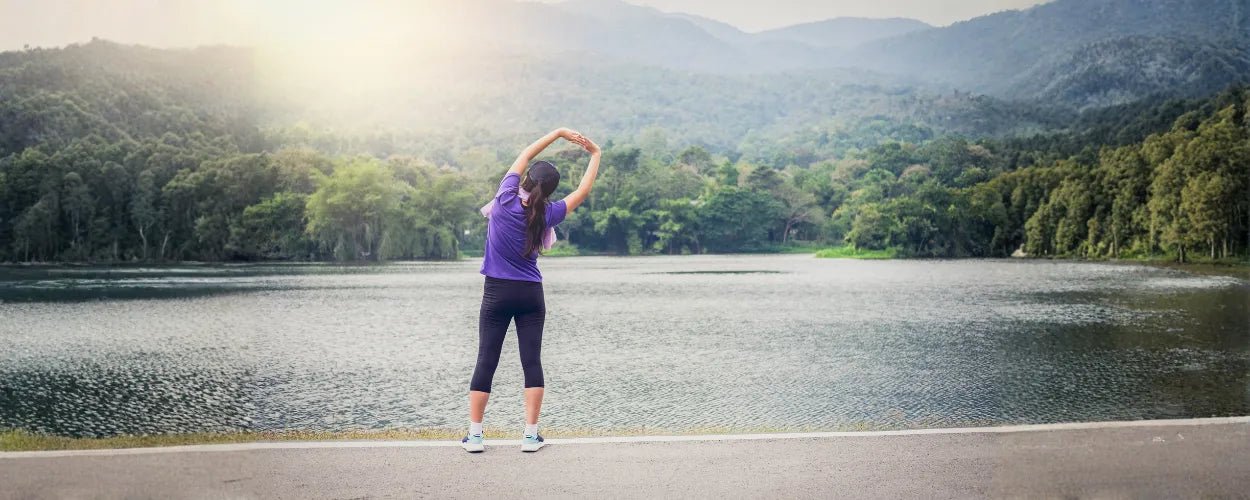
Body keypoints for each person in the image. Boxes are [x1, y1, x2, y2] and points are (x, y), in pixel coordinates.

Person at [461, 128, 601, 453]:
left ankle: (476, 436)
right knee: (531, 362)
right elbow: (583, 190)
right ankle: (529, 436)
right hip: (530, 295)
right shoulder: (548, 213)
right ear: (550, 190)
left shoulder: (505, 197)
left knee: (486, 360)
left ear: (524, 179)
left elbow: (525, 153)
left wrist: (558, 133)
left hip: (496, 292)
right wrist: (595, 154)